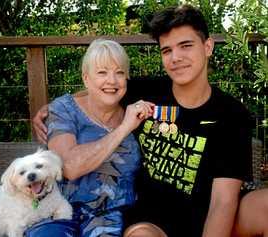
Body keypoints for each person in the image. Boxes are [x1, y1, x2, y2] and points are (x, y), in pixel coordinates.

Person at [33, 5, 268, 237]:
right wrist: (53, 108)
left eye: (186, 46)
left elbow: (223, 203)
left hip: (211, 211)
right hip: (154, 218)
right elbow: (102, 88)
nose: (176, 58)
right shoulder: (146, 92)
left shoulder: (231, 114)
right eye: (167, 50)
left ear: (207, 46)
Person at [29, 38, 154, 237]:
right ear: (86, 78)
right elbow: (69, 167)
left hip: (112, 215)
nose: (112, 80)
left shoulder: (138, 109)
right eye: (102, 72)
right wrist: (123, 129)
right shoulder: (64, 109)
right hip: (59, 210)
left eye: (119, 72)